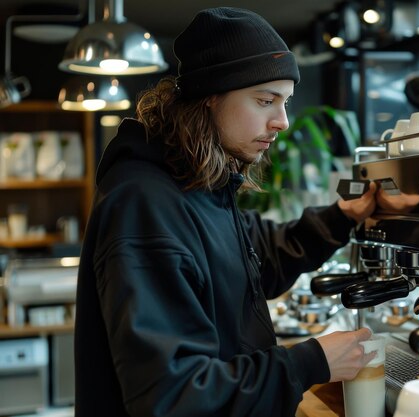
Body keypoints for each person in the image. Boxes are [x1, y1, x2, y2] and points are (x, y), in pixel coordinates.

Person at [74, 7, 379, 417]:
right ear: (209, 99)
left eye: (285, 102)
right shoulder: (143, 204)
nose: (283, 122)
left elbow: (261, 256)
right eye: (265, 100)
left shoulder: (198, 186)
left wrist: (347, 214)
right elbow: (174, 395)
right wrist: (310, 362)